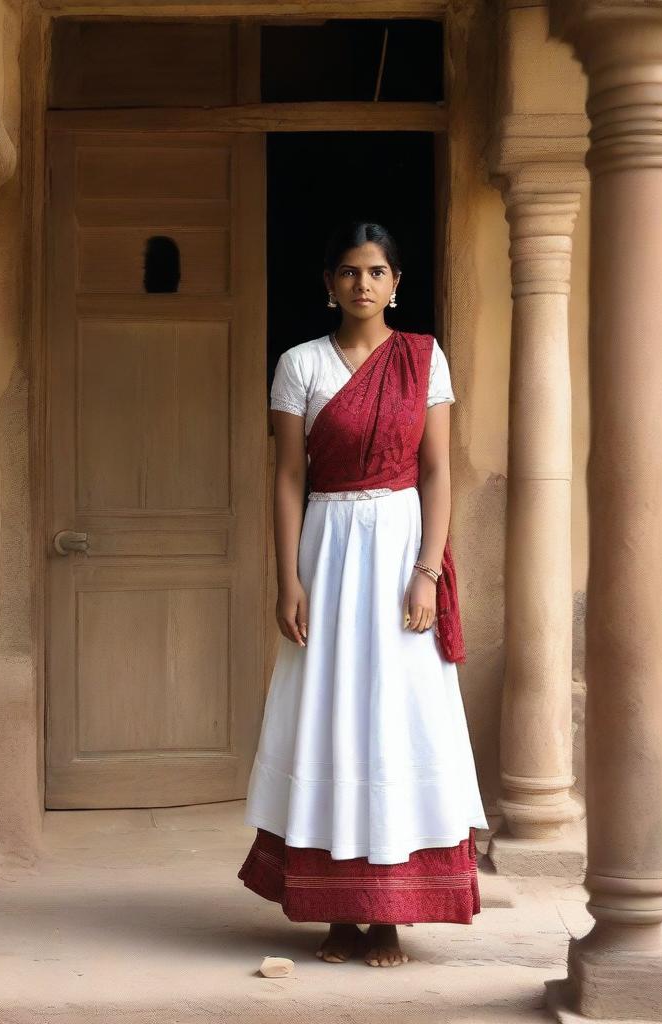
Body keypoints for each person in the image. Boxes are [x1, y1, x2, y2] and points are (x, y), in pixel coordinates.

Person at [237, 220, 489, 968]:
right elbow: (288, 476)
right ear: (328, 284)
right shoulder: (300, 364)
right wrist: (288, 579)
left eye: (376, 271)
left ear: (396, 284)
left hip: (401, 548)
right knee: (333, 712)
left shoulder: (424, 359)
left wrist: (427, 570)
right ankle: (335, 909)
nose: (362, 284)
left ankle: (391, 914)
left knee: (397, 714)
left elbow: (438, 470)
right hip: (330, 545)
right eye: (348, 272)